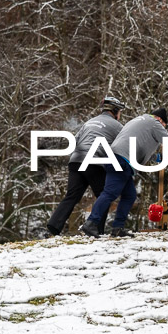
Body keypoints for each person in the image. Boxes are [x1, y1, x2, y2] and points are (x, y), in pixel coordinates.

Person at [79, 108, 168, 238]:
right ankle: (91, 223)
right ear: (160, 120)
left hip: (117, 157)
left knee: (129, 195)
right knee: (110, 193)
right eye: (164, 127)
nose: (163, 129)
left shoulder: (138, 121)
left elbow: (141, 144)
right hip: (122, 159)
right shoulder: (154, 123)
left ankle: (117, 228)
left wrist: (157, 158)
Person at [47, 97, 126, 236]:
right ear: (114, 111)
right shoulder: (117, 126)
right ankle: (95, 229)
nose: (119, 115)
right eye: (119, 112)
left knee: (72, 195)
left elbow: (75, 141)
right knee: (104, 195)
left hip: (76, 160)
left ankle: (53, 227)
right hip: (93, 161)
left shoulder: (89, 122)